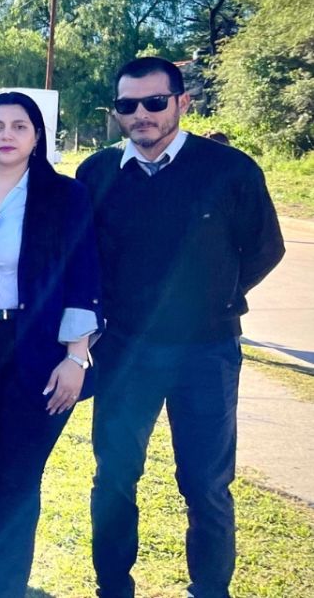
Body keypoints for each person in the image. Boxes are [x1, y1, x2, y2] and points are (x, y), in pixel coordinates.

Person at [81, 57, 284, 598]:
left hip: (206, 353)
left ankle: (209, 590)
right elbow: (82, 258)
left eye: (154, 102)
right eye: (128, 105)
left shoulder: (230, 170)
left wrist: (215, 299)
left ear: (182, 102)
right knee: (114, 478)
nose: (141, 114)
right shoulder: (98, 174)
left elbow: (265, 248)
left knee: (206, 484)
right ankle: (112, 588)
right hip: (125, 350)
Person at [0, 92, 102, 598]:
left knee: (18, 474)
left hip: (41, 350)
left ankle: (2, 589)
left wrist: (76, 356)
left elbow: (84, 274)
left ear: (37, 136)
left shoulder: (64, 195)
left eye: (19, 126)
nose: (6, 135)